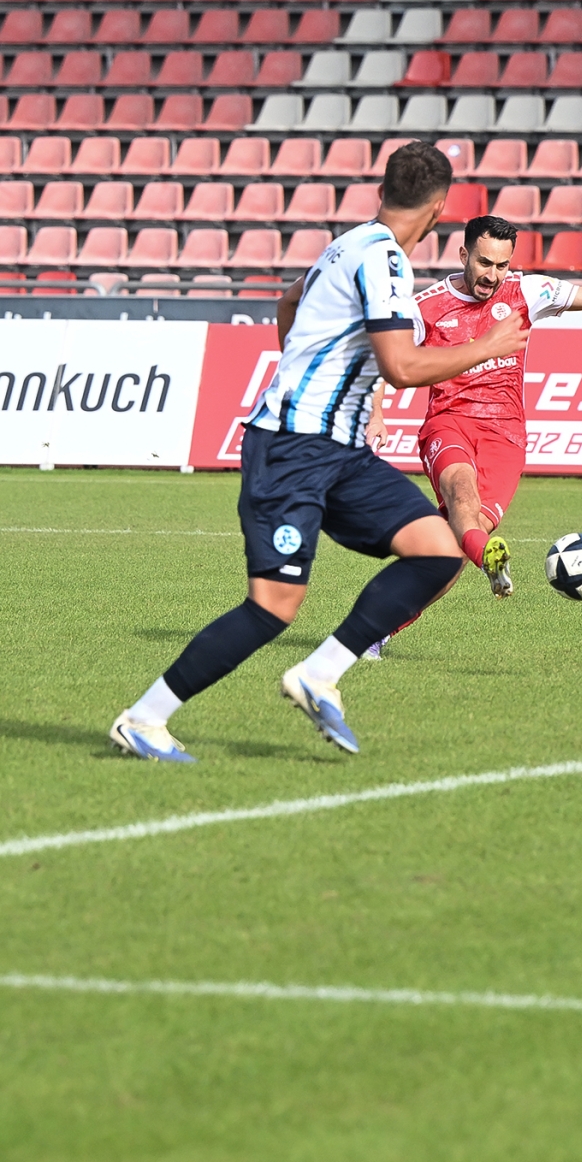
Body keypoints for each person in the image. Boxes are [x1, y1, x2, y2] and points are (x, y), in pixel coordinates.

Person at [108, 142, 529, 762]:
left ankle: (318, 674)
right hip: (294, 449)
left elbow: (287, 301)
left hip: (337, 450)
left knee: (439, 550)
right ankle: (144, 719)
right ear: (440, 208)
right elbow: (401, 366)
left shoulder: (347, 243)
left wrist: (306, 378)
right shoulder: (384, 260)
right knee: (273, 606)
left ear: (383, 191)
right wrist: (487, 344)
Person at [368, 215, 582, 619]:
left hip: (505, 437)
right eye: (484, 263)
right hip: (449, 422)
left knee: (452, 547)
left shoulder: (527, 290)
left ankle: (381, 629)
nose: (492, 276)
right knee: (461, 494)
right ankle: (487, 556)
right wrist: (377, 412)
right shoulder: (426, 306)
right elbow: (384, 361)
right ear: (463, 254)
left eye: (502, 265)